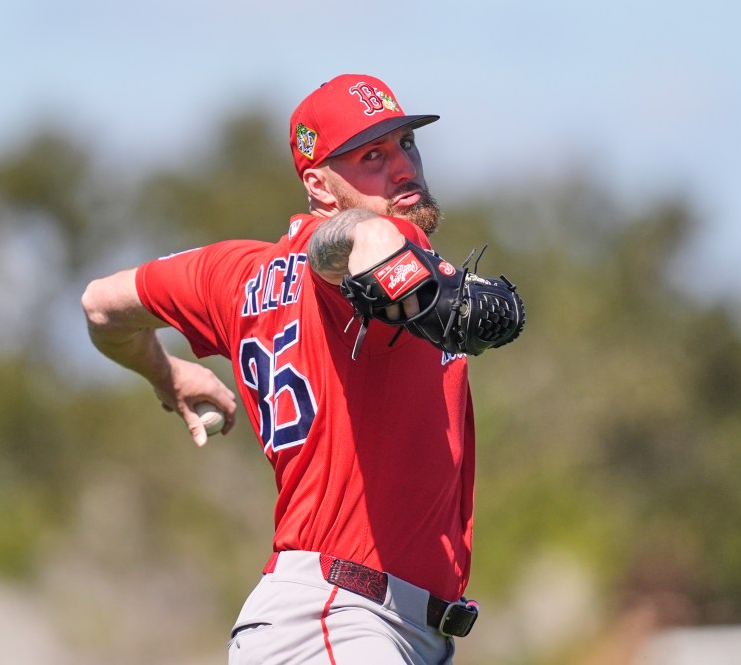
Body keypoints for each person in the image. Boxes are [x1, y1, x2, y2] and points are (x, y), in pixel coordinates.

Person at [82, 74, 492, 664]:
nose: (402, 167)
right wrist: (400, 262)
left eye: (405, 143)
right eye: (371, 156)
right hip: (338, 619)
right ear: (319, 186)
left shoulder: (232, 273)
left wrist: (163, 372)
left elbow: (100, 304)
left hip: (370, 626)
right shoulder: (376, 244)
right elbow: (356, 240)